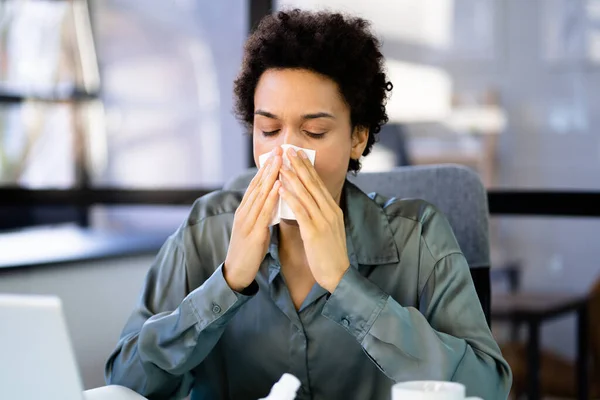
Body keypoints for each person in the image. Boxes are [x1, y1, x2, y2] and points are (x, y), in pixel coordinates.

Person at [105, 9, 512, 400]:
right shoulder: (205, 231)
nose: (286, 154)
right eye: (268, 129)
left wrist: (345, 285)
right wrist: (227, 284)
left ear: (357, 137)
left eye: (314, 131)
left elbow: (485, 390)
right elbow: (125, 384)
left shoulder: (418, 239)